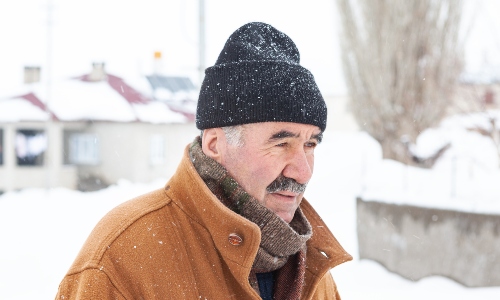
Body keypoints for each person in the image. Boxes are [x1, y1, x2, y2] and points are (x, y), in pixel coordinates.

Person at [55, 22, 352, 300]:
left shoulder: (312, 268)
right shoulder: (123, 255)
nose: (302, 171)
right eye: (280, 143)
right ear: (214, 144)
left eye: (310, 144)